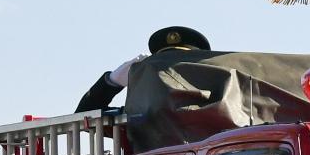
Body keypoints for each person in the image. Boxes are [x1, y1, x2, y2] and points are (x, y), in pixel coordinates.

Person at [75, 26, 211, 113]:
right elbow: (85, 113)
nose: (171, 74)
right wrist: (111, 82)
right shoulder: (141, 111)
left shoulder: (218, 104)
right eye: (162, 67)